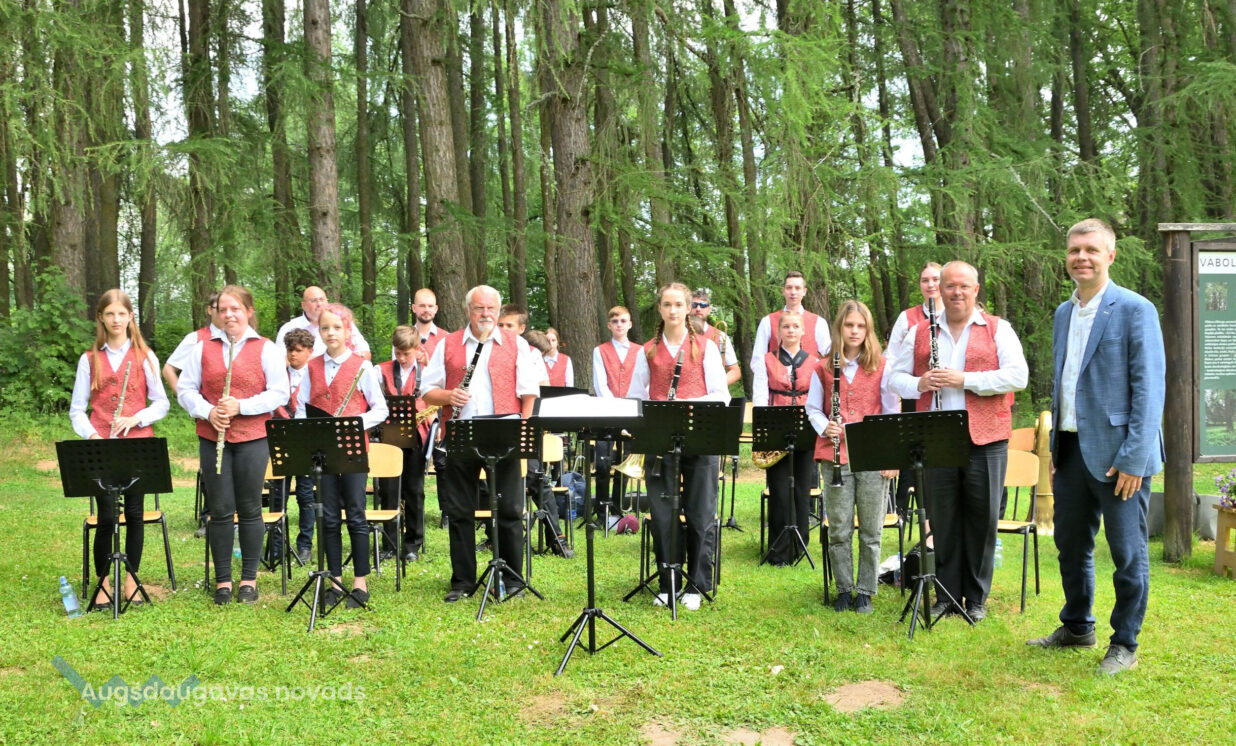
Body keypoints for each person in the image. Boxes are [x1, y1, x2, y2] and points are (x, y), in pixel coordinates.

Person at [1027, 219, 1165, 675]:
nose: (1081, 257)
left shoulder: (1135, 309)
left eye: (1091, 249)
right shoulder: (1063, 314)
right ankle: (1077, 626)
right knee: (1070, 546)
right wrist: (1054, 449)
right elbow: (1064, 386)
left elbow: (1150, 389)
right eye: (1074, 250)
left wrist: (1134, 458)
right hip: (1070, 451)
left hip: (1120, 456)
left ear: (1110, 255)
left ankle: (1125, 642)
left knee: (1127, 554)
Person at [888, 262, 1028, 622]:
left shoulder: (997, 328)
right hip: (937, 438)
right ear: (940, 290)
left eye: (964, 286)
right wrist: (920, 384)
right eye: (950, 286)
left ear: (976, 289)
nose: (956, 292)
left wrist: (964, 379)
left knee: (983, 520)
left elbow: (1018, 376)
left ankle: (976, 598)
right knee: (943, 519)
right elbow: (893, 378)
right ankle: (946, 596)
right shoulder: (920, 331)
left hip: (987, 437)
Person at [422, 286, 541, 602]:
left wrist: (524, 431)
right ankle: (462, 582)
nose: (485, 314)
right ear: (468, 311)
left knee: (510, 508)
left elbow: (529, 392)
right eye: (479, 308)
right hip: (461, 433)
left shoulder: (516, 344)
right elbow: (427, 391)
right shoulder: (448, 344)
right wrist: (449, 396)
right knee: (460, 510)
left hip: (505, 434)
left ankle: (513, 579)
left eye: (491, 308)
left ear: (498, 311)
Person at [177, 285, 289, 605]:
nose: (228, 315)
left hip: (253, 438)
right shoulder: (202, 348)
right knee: (221, 509)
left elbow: (279, 392)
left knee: (251, 508)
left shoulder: (266, 348)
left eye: (235, 309)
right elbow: (185, 390)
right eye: (223, 309)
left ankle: (249, 580)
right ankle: (223, 580)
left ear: (249, 312)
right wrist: (208, 411)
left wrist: (242, 406)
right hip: (213, 437)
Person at [630, 282, 731, 611]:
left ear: (688, 308)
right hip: (660, 439)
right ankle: (668, 582)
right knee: (663, 515)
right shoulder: (648, 350)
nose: (672, 310)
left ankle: (697, 585)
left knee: (700, 514)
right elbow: (636, 396)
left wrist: (686, 404)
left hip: (699, 436)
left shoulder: (706, 347)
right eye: (667, 305)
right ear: (660, 309)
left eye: (678, 304)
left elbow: (720, 395)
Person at [70, 289, 170, 608]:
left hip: (137, 445)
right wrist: (92, 435)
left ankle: (130, 580)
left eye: (121, 313)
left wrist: (136, 417)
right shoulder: (89, 360)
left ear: (130, 317)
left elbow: (161, 403)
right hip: (101, 446)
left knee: (135, 514)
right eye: (110, 314)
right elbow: (76, 410)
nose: (116, 319)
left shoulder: (145, 356)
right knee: (107, 515)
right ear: (101, 317)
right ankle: (103, 583)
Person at [805, 301, 899, 612]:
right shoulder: (823, 367)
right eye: (849, 325)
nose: (855, 331)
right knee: (839, 527)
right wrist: (825, 426)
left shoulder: (882, 366)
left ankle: (866, 591)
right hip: (834, 455)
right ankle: (844, 589)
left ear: (868, 329)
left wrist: (891, 456)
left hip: (872, 455)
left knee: (871, 529)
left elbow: (890, 412)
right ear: (840, 329)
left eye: (860, 326)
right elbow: (812, 408)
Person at [295, 304, 388, 609]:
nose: (331, 333)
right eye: (325, 328)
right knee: (329, 516)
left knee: (356, 515)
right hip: (322, 452)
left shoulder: (362, 366)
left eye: (337, 327)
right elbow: (301, 408)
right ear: (318, 332)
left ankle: (360, 583)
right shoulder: (311, 367)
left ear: (348, 331)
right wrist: (306, 430)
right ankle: (334, 580)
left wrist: (353, 422)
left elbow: (380, 409)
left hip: (352, 449)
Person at [752, 310, 820, 567]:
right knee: (779, 489)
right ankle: (779, 550)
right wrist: (764, 430)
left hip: (806, 427)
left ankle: (799, 547)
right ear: (779, 332)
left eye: (795, 326)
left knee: (803, 488)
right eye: (786, 327)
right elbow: (760, 396)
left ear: (803, 331)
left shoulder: (815, 362)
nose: (791, 330)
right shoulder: (765, 360)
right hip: (775, 428)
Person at [375, 326, 430, 563]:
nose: (401, 358)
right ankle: (389, 544)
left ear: (417, 349)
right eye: (398, 353)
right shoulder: (380, 370)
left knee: (414, 491)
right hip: (388, 436)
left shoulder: (428, 371)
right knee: (388, 491)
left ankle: (413, 545)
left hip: (417, 436)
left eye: (406, 353)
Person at [268, 328, 316, 564]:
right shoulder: (278, 375)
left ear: (309, 351)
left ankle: (305, 545)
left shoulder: (315, 375)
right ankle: (276, 546)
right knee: (278, 494)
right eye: (290, 350)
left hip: (306, 440)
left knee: (306, 495)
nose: (293, 354)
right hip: (281, 437)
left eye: (298, 350)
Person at [592, 306, 641, 519]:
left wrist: (630, 406)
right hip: (606, 412)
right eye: (615, 321)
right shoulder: (600, 351)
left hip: (631, 412)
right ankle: (601, 508)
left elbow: (642, 382)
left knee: (625, 462)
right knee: (602, 463)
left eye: (623, 321)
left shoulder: (640, 351)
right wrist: (614, 406)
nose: (619, 325)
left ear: (630, 324)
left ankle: (618, 507)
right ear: (609, 325)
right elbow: (600, 384)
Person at [750, 271, 832, 372]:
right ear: (783, 291)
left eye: (797, 288)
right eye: (789, 288)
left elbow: (828, 358)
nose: (793, 292)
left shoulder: (819, 323)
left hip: (810, 380)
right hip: (775, 381)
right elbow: (757, 361)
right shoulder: (767, 322)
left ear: (804, 291)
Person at [274, 286, 372, 359]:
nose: (319, 304)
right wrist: (319, 363)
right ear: (303, 305)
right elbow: (280, 361)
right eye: (314, 301)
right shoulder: (290, 328)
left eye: (322, 300)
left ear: (327, 302)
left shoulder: (343, 322)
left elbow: (365, 353)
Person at [163, 292, 220, 392]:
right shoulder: (195, 338)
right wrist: (184, 397)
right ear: (210, 310)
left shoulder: (242, 338)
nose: (225, 313)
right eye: (219, 308)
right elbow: (168, 370)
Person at [690, 289, 741, 386]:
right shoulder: (677, 334)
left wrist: (716, 386)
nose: (698, 309)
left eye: (703, 305)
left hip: (712, 393)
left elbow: (735, 371)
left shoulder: (720, 336)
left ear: (709, 310)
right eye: (694, 305)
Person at [412, 288, 448, 365]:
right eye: (422, 306)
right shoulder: (402, 337)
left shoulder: (447, 338)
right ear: (414, 308)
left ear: (435, 309)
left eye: (430, 306)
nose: (427, 310)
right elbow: (397, 369)